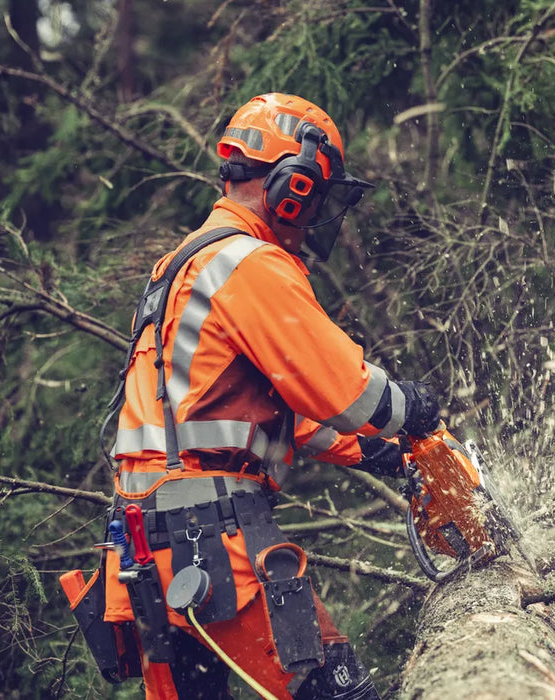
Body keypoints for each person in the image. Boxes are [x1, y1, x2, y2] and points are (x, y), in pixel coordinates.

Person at [96, 93, 440, 699]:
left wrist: (373, 452)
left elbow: (244, 408)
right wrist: (412, 410)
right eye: (316, 197)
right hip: (211, 537)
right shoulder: (248, 263)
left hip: (143, 545)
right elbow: (344, 389)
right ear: (294, 184)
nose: (314, 217)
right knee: (336, 691)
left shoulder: (181, 264)